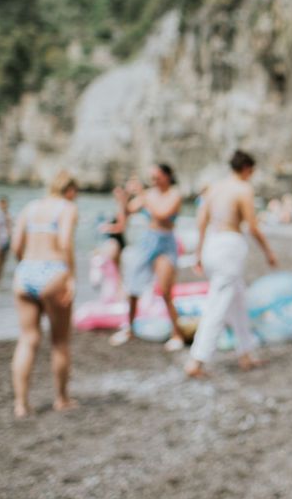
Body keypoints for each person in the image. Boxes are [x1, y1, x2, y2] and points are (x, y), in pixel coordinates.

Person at [185, 150, 277, 378]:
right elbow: (252, 226)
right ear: (247, 168)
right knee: (218, 304)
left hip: (212, 244)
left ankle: (246, 354)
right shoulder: (243, 189)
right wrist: (268, 252)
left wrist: (198, 253)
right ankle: (196, 361)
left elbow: (201, 221)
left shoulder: (215, 188)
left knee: (237, 299)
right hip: (229, 246)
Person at [10, 171, 79, 417]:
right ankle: (61, 399)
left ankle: (21, 404)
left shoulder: (30, 207)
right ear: (70, 190)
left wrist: (27, 265)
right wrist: (70, 276)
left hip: (25, 271)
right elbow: (65, 242)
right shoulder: (67, 207)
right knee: (60, 341)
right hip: (53, 272)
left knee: (27, 339)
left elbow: (16, 245)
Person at [112, 164, 185, 350]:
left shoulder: (174, 195)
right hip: (148, 240)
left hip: (166, 242)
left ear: (167, 176)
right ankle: (129, 328)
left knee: (166, 290)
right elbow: (126, 214)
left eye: (156, 177)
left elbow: (162, 214)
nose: (153, 181)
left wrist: (142, 195)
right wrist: (123, 198)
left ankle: (176, 333)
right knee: (133, 286)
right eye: (151, 178)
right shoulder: (149, 194)